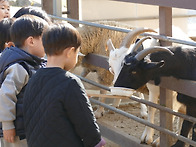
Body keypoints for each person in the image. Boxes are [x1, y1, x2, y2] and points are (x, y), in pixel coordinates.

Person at [23, 23, 105, 147]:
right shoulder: (70, 82)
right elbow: (87, 127)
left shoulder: (34, 78)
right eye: (77, 53)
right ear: (70, 52)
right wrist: (97, 143)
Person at [0, 15, 48, 147]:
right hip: (16, 132)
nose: (48, 44)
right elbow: (5, 95)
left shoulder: (33, 63)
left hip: (26, 126)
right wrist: (7, 125)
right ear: (31, 41)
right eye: (45, 40)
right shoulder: (20, 67)